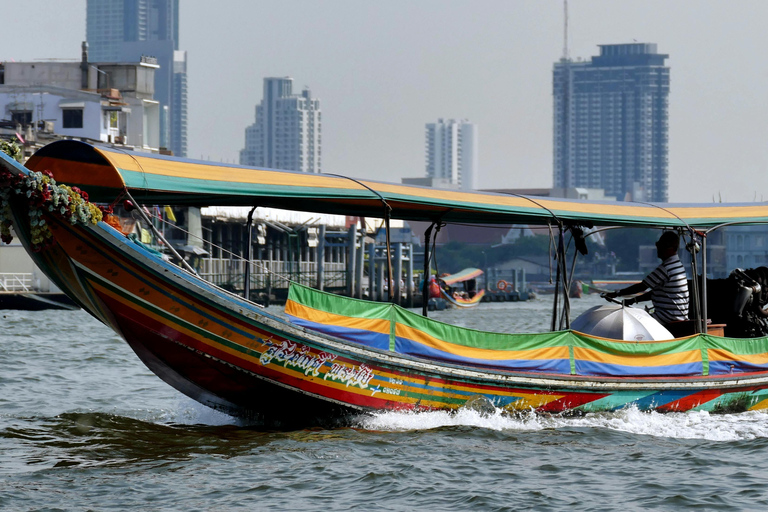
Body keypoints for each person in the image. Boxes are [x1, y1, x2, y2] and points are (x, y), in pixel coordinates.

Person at [604, 231, 689, 325]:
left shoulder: (666, 268)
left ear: (672, 249)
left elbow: (642, 287)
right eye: (658, 246)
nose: (659, 249)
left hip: (668, 317)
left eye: (662, 246)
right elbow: (656, 292)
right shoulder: (678, 265)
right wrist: (633, 300)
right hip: (678, 315)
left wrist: (617, 294)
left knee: (632, 322)